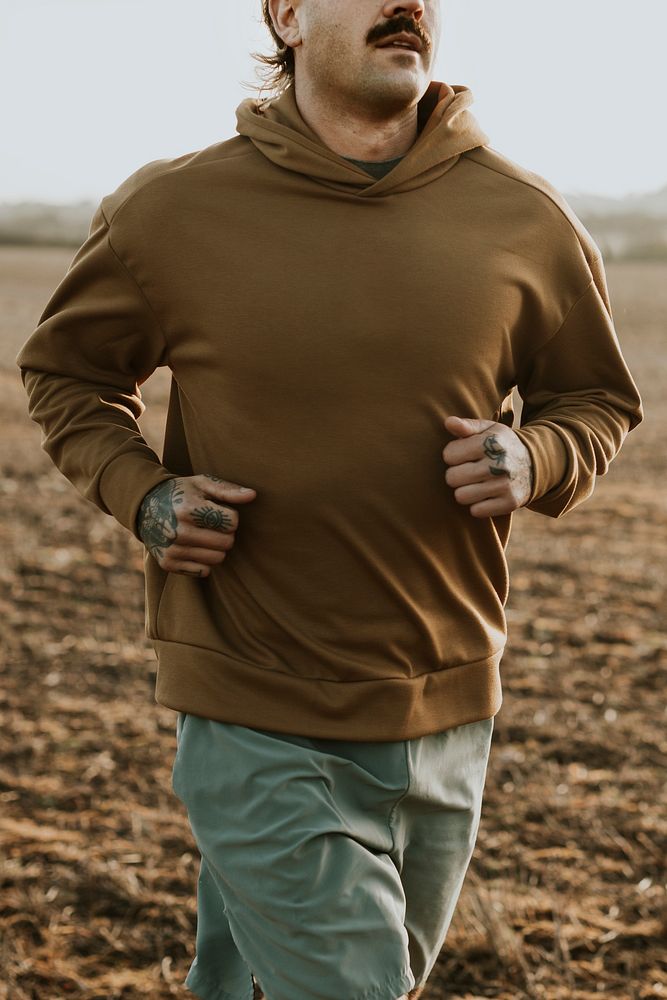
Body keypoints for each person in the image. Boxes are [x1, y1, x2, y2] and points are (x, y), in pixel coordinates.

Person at [16, 1, 643, 998]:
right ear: (288, 13)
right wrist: (146, 496)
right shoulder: (172, 212)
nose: (412, 5)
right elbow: (67, 375)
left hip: (445, 705)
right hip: (253, 699)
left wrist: (536, 456)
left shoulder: (527, 218)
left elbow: (596, 400)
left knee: (247, 982)